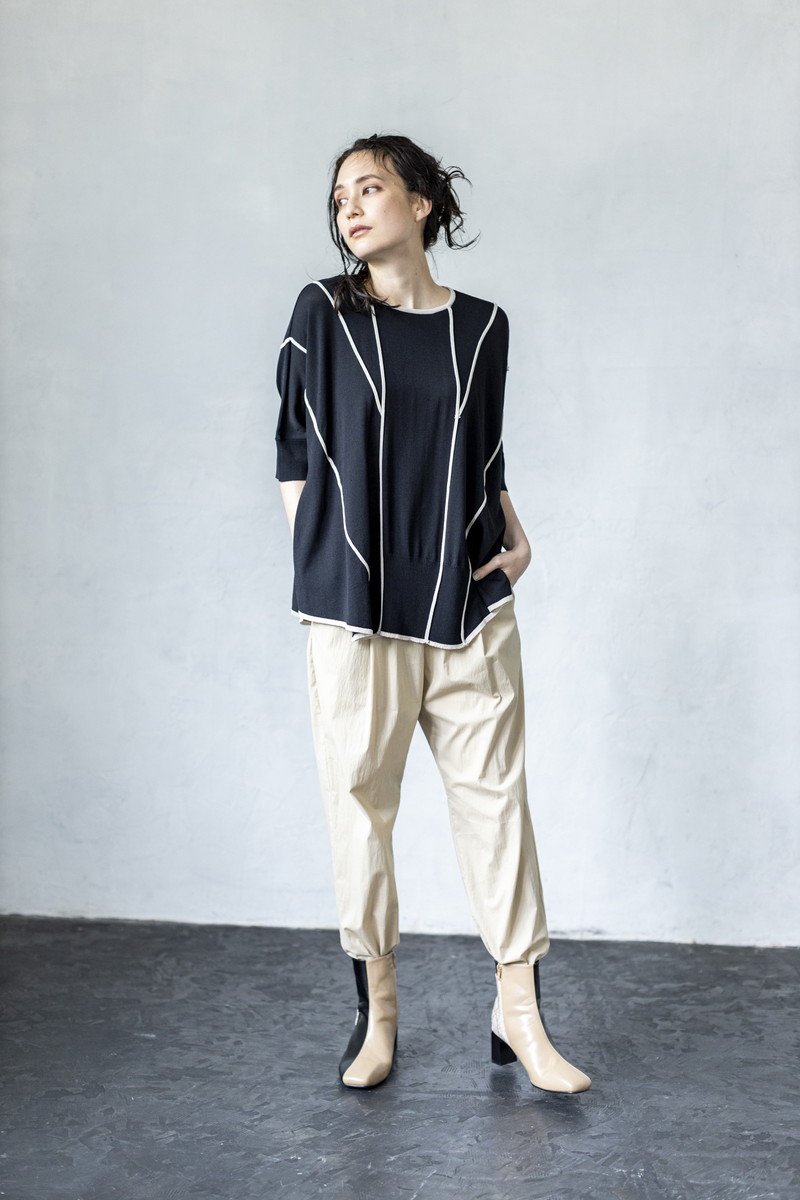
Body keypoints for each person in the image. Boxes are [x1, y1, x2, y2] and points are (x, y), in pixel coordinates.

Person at [274, 133, 591, 1095]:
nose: (349, 206)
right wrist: (325, 565)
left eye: (370, 188)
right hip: (358, 610)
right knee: (360, 809)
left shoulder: (484, 327)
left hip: (466, 604)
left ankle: (520, 1014)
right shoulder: (323, 312)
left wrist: (516, 535)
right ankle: (377, 1015)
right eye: (339, 196)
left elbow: (480, 456)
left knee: (498, 805)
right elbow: (295, 452)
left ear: (421, 204)